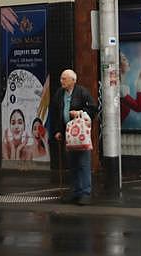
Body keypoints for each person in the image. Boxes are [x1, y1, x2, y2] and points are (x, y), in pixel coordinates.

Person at [50, 68, 97, 205]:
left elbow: (93, 107)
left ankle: (85, 192)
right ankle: (76, 192)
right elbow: (56, 112)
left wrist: (79, 112)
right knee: (72, 164)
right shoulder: (60, 93)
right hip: (68, 134)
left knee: (83, 163)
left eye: (64, 78)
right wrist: (58, 130)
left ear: (73, 80)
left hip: (81, 134)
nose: (61, 81)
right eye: (61, 78)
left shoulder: (82, 91)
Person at [119, 53, 141, 124]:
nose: (128, 61)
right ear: (118, 66)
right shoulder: (121, 89)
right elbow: (138, 107)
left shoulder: (122, 88)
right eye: (124, 59)